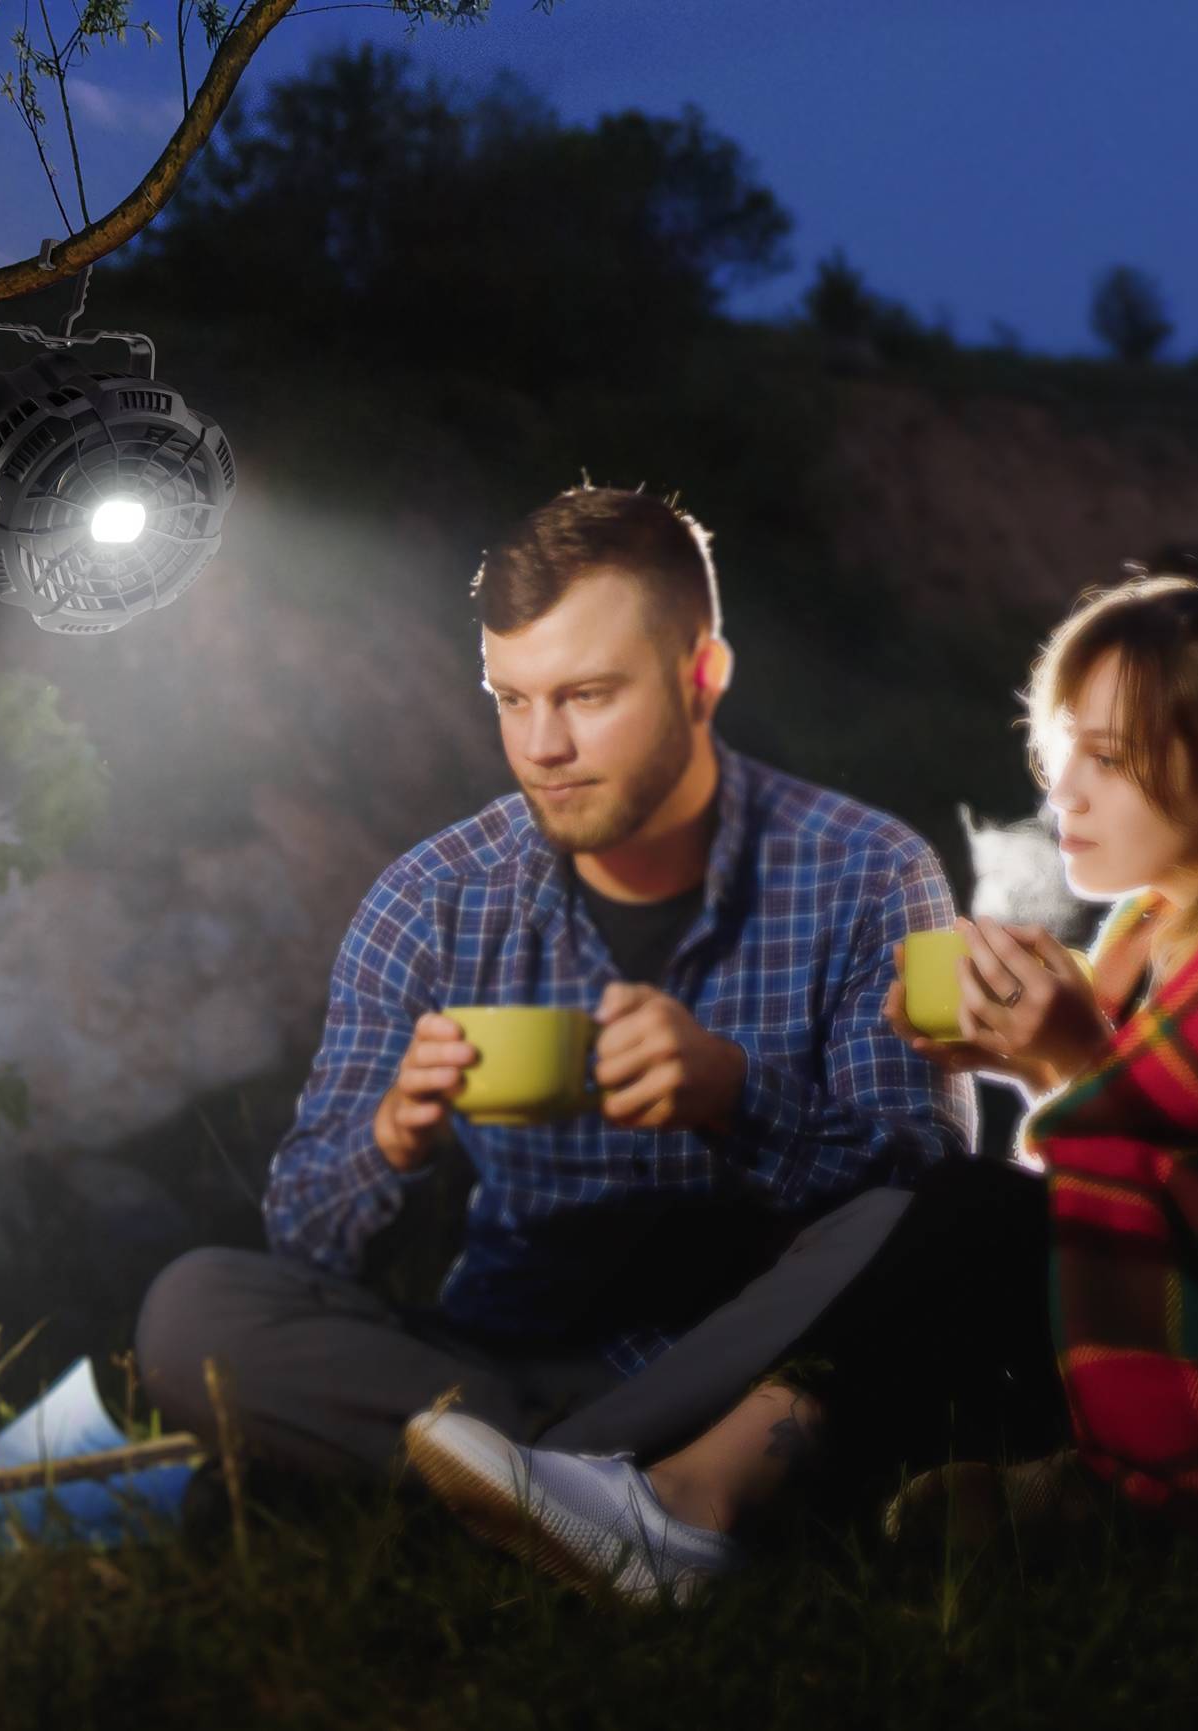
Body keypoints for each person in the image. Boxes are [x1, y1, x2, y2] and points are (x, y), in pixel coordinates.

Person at [404, 567, 1198, 1604]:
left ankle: (680, 1508)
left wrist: (1068, 1071)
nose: (1064, 791)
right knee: (938, 1230)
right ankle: (677, 1489)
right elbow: (1160, 1197)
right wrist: (1048, 1073)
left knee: (977, 1219)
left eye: (1110, 761)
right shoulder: (1161, 930)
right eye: (1057, 748)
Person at [131, 485, 978, 1488]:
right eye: (512, 700)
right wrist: (393, 1135)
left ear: (701, 677)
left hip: (742, 1369)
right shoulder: (431, 898)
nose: (542, 749)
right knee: (195, 1307)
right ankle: (579, 1484)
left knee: (919, 1228)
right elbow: (305, 1231)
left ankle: (480, 1481)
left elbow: (926, 1193)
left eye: (586, 696)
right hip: (488, 1356)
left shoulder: (868, 872)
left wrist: (734, 1097)